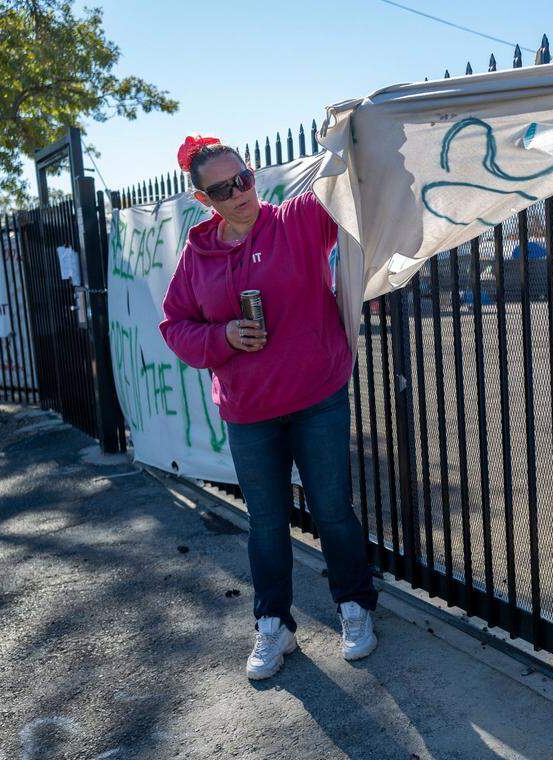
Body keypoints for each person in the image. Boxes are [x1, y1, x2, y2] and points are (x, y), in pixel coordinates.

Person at [160, 134, 378, 680]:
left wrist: (354, 127)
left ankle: (355, 607)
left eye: (244, 178)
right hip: (249, 410)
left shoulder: (297, 220)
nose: (239, 193)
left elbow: (351, 185)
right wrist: (226, 336)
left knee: (332, 510)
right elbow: (176, 326)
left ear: (253, 175)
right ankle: (273, 626)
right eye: (222, 188)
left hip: (317, 397)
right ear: (203, 199)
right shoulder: (199, 254)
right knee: (266, 523)